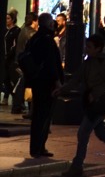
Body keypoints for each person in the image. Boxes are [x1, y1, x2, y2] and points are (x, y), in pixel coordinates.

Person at [56, 34, 105, 177]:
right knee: (102, 133)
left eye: (90, 47)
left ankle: (77, 166)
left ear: (98, 48)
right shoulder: (90, 61)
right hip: (92, 102)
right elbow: (77, 78)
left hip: (98, 104)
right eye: (87, 46)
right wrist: (62, 89)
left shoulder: (102, 62)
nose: (87, 49)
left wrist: (95, 93)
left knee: (83, 132)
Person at [21, 13, 63, 158]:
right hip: (46, 82)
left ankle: (37, 147)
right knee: (44, 115)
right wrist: (57, 80)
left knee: (39, 114)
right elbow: (51, 63)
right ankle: (39, 147)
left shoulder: (35, 39)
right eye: (52, 22)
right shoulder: (47, 40)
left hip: (37, 81)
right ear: (49, 24)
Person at [12, 12, 37, 115]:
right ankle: (20, 107)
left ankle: (18, 106)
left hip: (20, 61)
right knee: (25, 85)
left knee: (22, 85)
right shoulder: (32, 33)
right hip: (26, 63)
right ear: (34, 21)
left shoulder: (22, 30)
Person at [3, 10, 20, 106]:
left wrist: (8, 54)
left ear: (13, 20)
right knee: (5, 78)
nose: (6, 20)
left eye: (8, 18)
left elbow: (15, 45)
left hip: (11, 58)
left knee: (11, 78)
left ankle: (15, 98)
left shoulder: (16, 31)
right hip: (5, 58)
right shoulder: (5, 31)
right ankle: (7, 96)